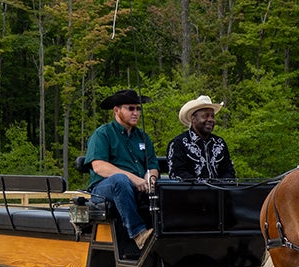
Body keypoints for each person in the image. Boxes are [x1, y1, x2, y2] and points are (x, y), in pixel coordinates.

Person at [85, 89, 159, 250]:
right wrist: (134, 178)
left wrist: (150, 178)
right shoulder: (103, 134)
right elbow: (99, 166)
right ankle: (139, 234)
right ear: (116, 110)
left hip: (138, 187)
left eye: (138, 109)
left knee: (167, 185)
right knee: (121, 180)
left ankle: (165, 233)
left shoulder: (143, 137)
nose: (136, 113)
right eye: (130, 108)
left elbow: (152, 165)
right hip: (104, 189)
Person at [167, 95, 236, 183]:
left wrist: (223, 185)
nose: (211, 120)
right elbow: (177, 174)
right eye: (205, 116)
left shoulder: (220, 143)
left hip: (220, 194)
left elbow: (228, 171)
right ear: (193, 119)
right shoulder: (178, 143)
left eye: (212, 116)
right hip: (190, 194)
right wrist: (202, 186)